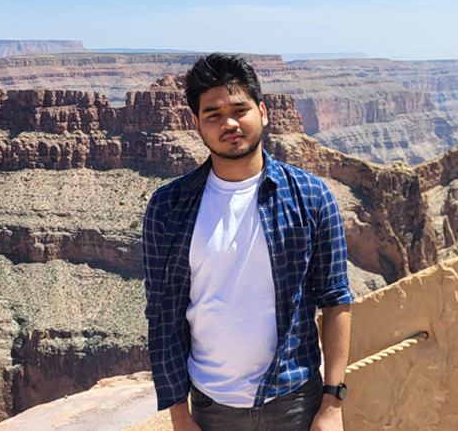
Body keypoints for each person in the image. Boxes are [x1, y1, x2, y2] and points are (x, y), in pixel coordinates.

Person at [142, 53, 353, 431]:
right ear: (196, 124)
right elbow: (163, 317)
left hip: (295, 402)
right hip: (212, 409)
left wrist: (332, 404)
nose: (229, 123)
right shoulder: (167, 207)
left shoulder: (311, 195)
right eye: (213, 115)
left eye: (240, 109)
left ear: (263, 111)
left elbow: (336, 300)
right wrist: (179, 417)